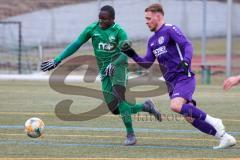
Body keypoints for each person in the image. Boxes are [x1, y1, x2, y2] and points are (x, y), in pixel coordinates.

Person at [40, 5, 161, 146]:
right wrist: (57, 60)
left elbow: (125, 53)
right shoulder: (92, 29)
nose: (101, 22)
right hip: (104, 70)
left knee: (120, 98)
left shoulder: (119, 32)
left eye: (104, 19)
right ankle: (145, 107)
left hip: (119, 68)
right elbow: (76, 44)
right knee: (115, 109)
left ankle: (131, 135)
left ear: (112, 19)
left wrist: (114, 64)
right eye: (99, 18)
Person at [121, 3, 236, 149]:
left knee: (175, 106)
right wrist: (131, 53)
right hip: (171, 83)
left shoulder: (170, 29)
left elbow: (187, 45)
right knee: (190, 117)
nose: (146, 21)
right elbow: (147, 63)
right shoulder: (152, 41)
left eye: (149, 18)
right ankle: (225, 137)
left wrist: (186, 61)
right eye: (146, 19)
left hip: (183, 77)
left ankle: (215, 122)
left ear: (158, 16)